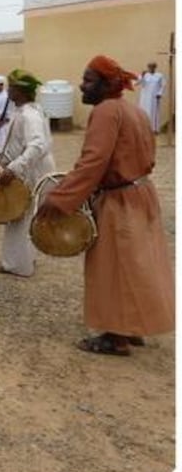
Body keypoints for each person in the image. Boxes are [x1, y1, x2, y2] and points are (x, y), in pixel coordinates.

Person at [35, 55, 174, 356]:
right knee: (137, 265)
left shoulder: (105, 111)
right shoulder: (133, 110)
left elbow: (93, 162)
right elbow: (148, 156)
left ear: (105, 85)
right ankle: (131, 326)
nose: (82, 85)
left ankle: (115, 337)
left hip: (120, 199)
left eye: (88, 80)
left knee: (114, 267)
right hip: (141, 193)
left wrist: (60, 198)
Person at [0, 69, 56, 277]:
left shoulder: (30, 115)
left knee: (20, 215)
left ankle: (18, 265)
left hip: (31, 170)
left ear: (19, 91)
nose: (8, 92)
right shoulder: (27, 111)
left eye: (10, 87)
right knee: (23, 215)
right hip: (28, 168)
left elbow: (37, 145)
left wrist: (15, 167)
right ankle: (20, 259)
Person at [136, 61, 166, 133]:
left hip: (154, 97)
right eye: (150, 67)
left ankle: (154, 129)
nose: (151, 68)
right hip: (145, 98)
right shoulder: (144, 75)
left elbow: (163, 85)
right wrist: (142, 76)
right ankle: (144, 129)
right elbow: (137, 83)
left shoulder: (159, 75)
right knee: (144, 112)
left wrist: (159, 93)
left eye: (153, 67)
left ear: (155, 67)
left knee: (154, 112)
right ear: (148, 67)